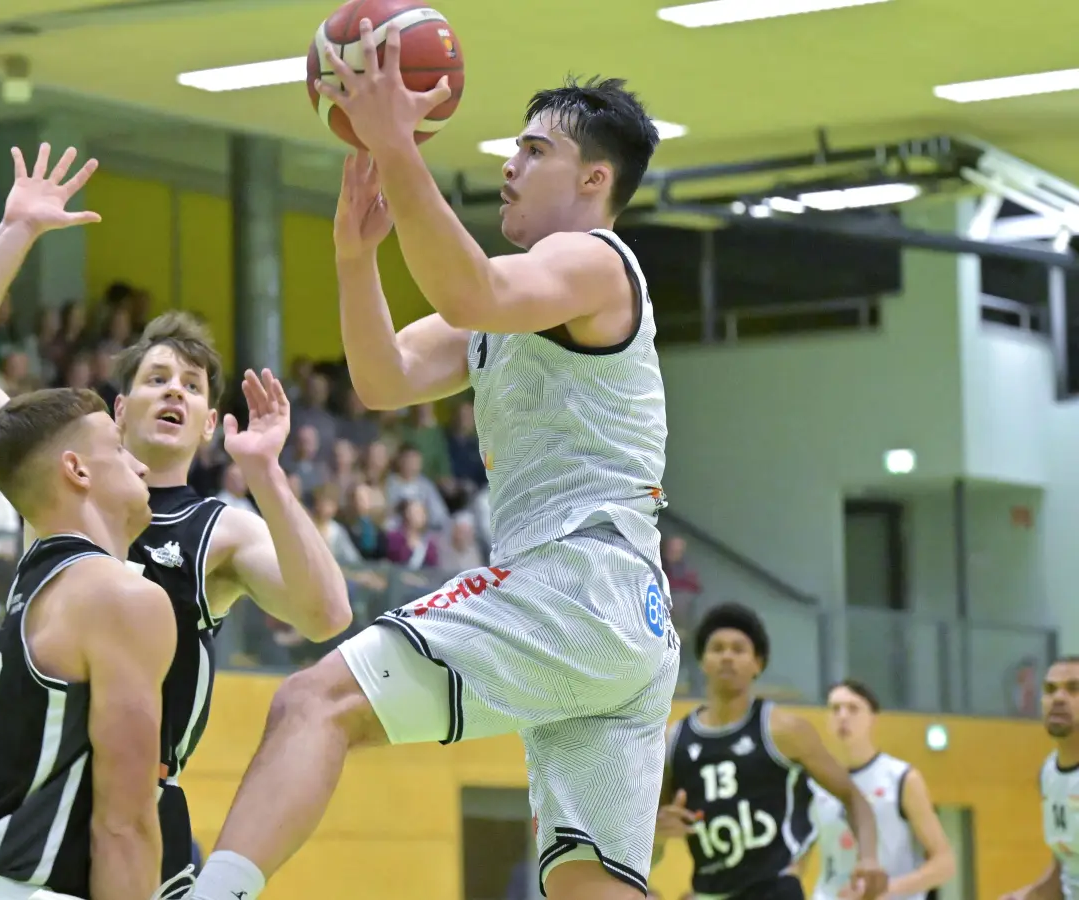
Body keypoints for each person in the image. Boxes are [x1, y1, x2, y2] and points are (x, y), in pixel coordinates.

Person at [193, 39, 680, 900]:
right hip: (623, 619)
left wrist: (395, 144)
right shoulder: (516, 297)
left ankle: (212, 893)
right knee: (587, 890)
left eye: (536, 150)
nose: (510, 162)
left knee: (312, 704)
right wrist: (353, 256)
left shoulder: (595, 259)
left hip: (578, 579)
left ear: (594, 180)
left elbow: (473, 293)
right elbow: (384, 378)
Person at [0, 142, 354, 879]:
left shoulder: (219, 527)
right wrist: (13, 231)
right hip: (43, 787)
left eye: (192, 385)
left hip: (146, 795)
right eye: (157, 378)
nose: (176, 391)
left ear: (212, 424)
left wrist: (268, 477)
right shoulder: (61, 472)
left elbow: (325, 614)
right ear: (118, 411)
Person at [0, 144, 186, 900]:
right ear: (77, 472)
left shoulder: (48, 552)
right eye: (117, 447)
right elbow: (123, 823)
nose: (136, 460)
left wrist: (15, 230)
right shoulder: (118, 597)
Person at [654, 604, 887, 900]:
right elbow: (648, 850)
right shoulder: (673, 740)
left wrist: (868, 858)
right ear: (702, 661)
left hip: (775, 887)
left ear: (758, 663)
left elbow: (853, 797)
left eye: (739, 649)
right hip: (709, 892)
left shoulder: (785, 730)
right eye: (718, 648)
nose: (727, 655)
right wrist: (660, 835)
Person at [809, 680, 956, 900]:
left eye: (853, 708)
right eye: (835, 709)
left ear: (873, 719)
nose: (843, 716)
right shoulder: (814, 781)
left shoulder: (900, 778)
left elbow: (944, 863)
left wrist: (887, 890)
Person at [998, 656, 1079, 900]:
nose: (1059, 698)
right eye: (1050, 690)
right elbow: (1065, 864)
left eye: (1074, 689)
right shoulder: (1048, 773)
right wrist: (1025, 897)